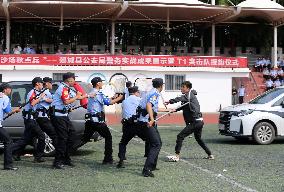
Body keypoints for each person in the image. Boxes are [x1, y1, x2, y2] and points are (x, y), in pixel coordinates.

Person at [166, 81, 214, 162]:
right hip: (199, 122)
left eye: (183, 87)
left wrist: (170, 101)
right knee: (198, 139)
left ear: (188, 88)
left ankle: (176, 156)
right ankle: (210, 154)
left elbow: (180, 99)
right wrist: (174, 110)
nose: (181, 88)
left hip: (196, 122)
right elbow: (183, 106)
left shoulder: (189, 95)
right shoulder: (187, 97)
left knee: (180, 136)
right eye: (181, 87)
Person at [81, 77, 123, 164]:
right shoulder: (98, 93)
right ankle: (108, 159)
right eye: (101, 82)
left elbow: (106, 100)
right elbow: (108, 102)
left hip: (90, 121)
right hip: (97, 122)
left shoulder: (92, 92)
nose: (102, 84)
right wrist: (120, 98)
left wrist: (114, 97)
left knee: (84, 139)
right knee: (108, 137)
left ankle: (65, 154)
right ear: (98, 84)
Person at [50, 72, 87, 169]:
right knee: (63, 138)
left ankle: (66, 158)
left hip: (64, 115)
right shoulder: (63, 88)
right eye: (73, 79)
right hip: (58, 116)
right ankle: (57, 161)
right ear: (69, 80)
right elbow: (66, 101)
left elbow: (78, 97)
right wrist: (76, 97)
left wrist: (89, 96)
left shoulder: (68, 88)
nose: (74, 81)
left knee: (72, 136)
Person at [138, 78, 172, 177]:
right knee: (156, 144)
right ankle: (146, 169)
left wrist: (168, 110)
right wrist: (152, 119)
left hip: (144, 121)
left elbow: (154, 107)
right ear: (161, 85)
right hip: (147, 122)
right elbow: (149, 105)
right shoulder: (155, 93)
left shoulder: (152, 92)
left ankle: (152, 165)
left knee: (158, 143)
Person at [12, 77, 46, 163]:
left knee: (27, 138)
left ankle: (15, 153)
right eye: (41, 83)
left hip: (31, 118)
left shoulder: (36, 92)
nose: (42, 85)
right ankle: (38, 156)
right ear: (37, 84)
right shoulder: (33, 92)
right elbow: (32, 103)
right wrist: (41, 98)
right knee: (41, 136)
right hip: (30, 119)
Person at [117, 86, 147, 168]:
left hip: (126, 124)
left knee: (123, 143)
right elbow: (146, 106)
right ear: (136, 92)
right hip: (136, 124)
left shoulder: (124, 101)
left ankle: (121, 160)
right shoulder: (138, 99)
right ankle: (148, 158)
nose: (139, 94)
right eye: (138, 92)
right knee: (149, 140)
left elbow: (124, 113)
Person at [35, 77, 58, 158]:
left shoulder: (44, 91)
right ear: (47, 83)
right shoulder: (45, 92)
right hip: (42, 117)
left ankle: (38, 156)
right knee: (53, 134)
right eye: (51, 83)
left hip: (40, 116)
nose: (52, 85)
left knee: (35, 137)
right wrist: (57, 100)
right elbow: (48, 100)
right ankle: (60, 153)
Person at [0, 83, 21, 170]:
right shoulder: (5, 98)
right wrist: (16, 110)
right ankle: (8, 165)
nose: (10, 90)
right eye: (9, 89)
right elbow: (8, 111)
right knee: (8, 141)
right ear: (5, 90)